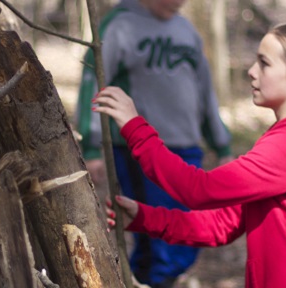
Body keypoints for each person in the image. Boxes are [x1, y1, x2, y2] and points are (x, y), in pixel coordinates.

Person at [92, 21, 286, 288]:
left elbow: (199, 189)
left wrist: (134, 127)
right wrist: (145, 218)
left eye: (264, 63)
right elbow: (222, 225)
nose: (251, 71)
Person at [75, 0, 233, 286]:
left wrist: (221, 144)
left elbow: (205, 91)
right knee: (155, 242)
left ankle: (165, 280)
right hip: (139, 151)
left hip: (187, 148)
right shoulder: (119, 26)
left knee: (190, 233)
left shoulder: (187, 31)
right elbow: (93, 82)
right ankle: (150, 282)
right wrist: (92, 145)